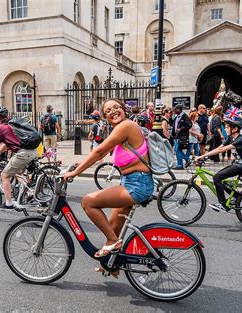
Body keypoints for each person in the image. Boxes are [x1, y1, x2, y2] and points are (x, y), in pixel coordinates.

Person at [63, 99, 154, 277]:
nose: (113, 111)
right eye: (108, 110)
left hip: (137, 184)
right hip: (132, 182)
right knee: (113, 226)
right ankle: (112, 263)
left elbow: (99, 151)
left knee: (88, 202)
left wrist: (76, 173)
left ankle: (113, 242)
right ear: (105, 117)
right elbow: (101, 154)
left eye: (116, 107)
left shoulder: (126, 125)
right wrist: (80, 164)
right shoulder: (122, 129)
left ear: (124, 110)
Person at [196, 115, 242, 212]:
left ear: (235, 129)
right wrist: (203, 156)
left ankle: (223, 204)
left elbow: (222, 150)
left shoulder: (241, 139)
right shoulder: (231, 138)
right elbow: (219, 148)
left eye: (227, 127)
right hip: (239, 163)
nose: (225, 129)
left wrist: (201, 156)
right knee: (222, 179)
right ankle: (235, 196)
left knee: (217, 177)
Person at [171, 104, 192, 169]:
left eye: (175, 109)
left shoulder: (185, 116)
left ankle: (181, 164)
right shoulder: (176, 117)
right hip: (176, 136)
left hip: (182, 136)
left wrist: (181, 129)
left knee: (178, 149)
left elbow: (189, 125)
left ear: (179, 109)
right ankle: (185, 161)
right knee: (177, 150)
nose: (174, 110)